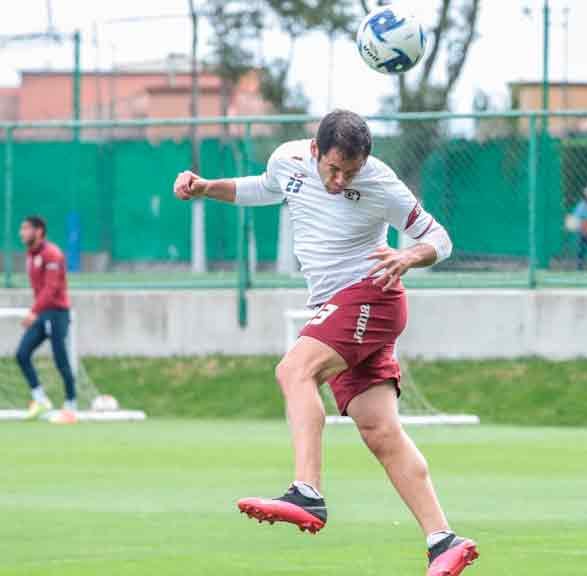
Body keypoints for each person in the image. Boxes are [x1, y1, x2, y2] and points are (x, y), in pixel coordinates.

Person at [172, 110, 477, 576]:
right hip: (342, 308)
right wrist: (206, 186)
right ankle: (443, 541)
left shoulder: (381, 183)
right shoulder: (287, 161)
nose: (339, 182)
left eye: (349, 173)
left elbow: (440, 237)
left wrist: (409, 254)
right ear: (314, 150)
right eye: (333, 170)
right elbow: (263, 188)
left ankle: (307, 492)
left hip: (371, 295)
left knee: (294, 370)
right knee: (380, 432)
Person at [16, 216, 77, 423]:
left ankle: (71, 405)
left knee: (61, 358)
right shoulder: (31, 254)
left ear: (39, 231)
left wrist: (34, 311)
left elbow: (51, 289)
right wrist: (37, 311)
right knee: (22, 354)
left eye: (25, 228)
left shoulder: (52, 254)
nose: (21, 233)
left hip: (57, 313)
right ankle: (40, 399)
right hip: (43, 313)